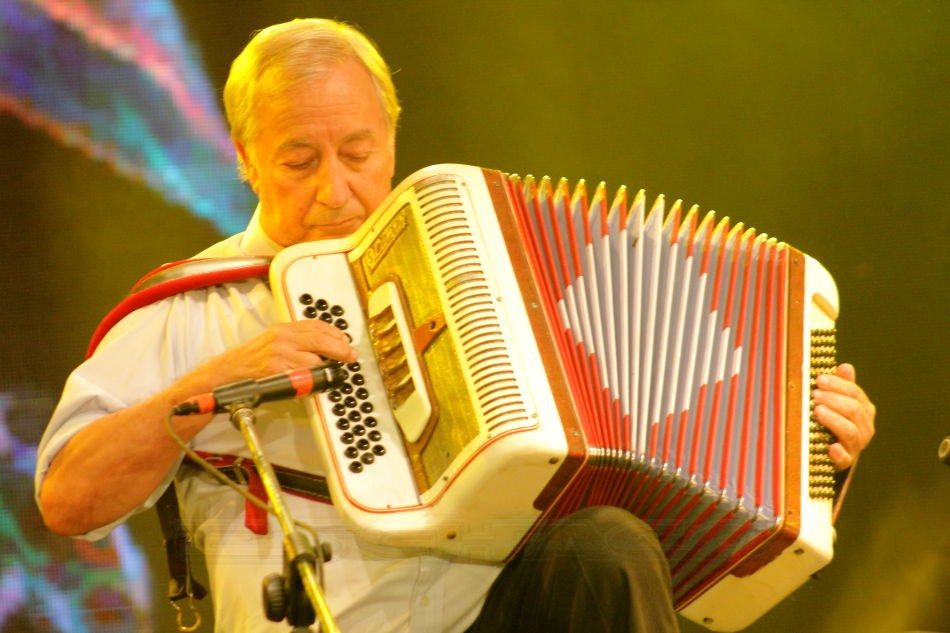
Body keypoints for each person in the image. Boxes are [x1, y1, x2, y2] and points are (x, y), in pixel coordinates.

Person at [34, 17, 876, 633]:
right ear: (247, 158)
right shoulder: (190, 307)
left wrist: (806, 450)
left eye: (357, 153)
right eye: (298, 160)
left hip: (495, 616)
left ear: (392, 139)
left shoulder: (487, 275)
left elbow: (659, 434)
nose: (334, 189)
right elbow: (68, 498)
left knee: (608, 546)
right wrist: (207, 389)